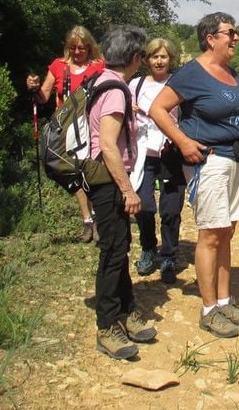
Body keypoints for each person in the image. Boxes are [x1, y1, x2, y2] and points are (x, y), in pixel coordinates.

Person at [149, 13, 239, 339]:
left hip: (237, 160)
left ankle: (225, 300)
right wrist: (182, 141)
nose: (236, 38)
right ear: (211, 38)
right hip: (210, 161)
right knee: (211, 234)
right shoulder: (191, 73)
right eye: (230, 32)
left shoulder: (230, 73)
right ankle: (209, 308)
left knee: (226, 233)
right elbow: (157, 108)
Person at [86, 24, 157, 360]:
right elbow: (109, 147)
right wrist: (128, 190)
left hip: (104, 179)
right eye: (141, 55)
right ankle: (107, 325)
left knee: (120, 247)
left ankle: (126, 311)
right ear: (133, 57)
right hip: (109, 179)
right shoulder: (116, 91)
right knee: (113, 252)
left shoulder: (100, 81)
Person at [26, 25, 106, 243]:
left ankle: (97, 218)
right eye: (73, 48)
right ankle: (87, 219)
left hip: (91, 125)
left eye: (82, 47)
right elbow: (43, 96)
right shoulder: (58, 66)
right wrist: (33, 88)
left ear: (90, 47)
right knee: (70, 171)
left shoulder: (99, 66)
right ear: (67, 47)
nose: (78, 52)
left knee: (91, 169)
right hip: (65, 128)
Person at [129, 38, 186, 284]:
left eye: (163, 57)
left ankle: (169, 255)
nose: (159, 61)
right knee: (143, 205)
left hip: (171, 152)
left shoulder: (179, 84)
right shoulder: (135, 84)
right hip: (142, 152)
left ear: (170, 59)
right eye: (154, 56)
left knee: (171, 209)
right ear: (146, 60)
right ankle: (148, 247)